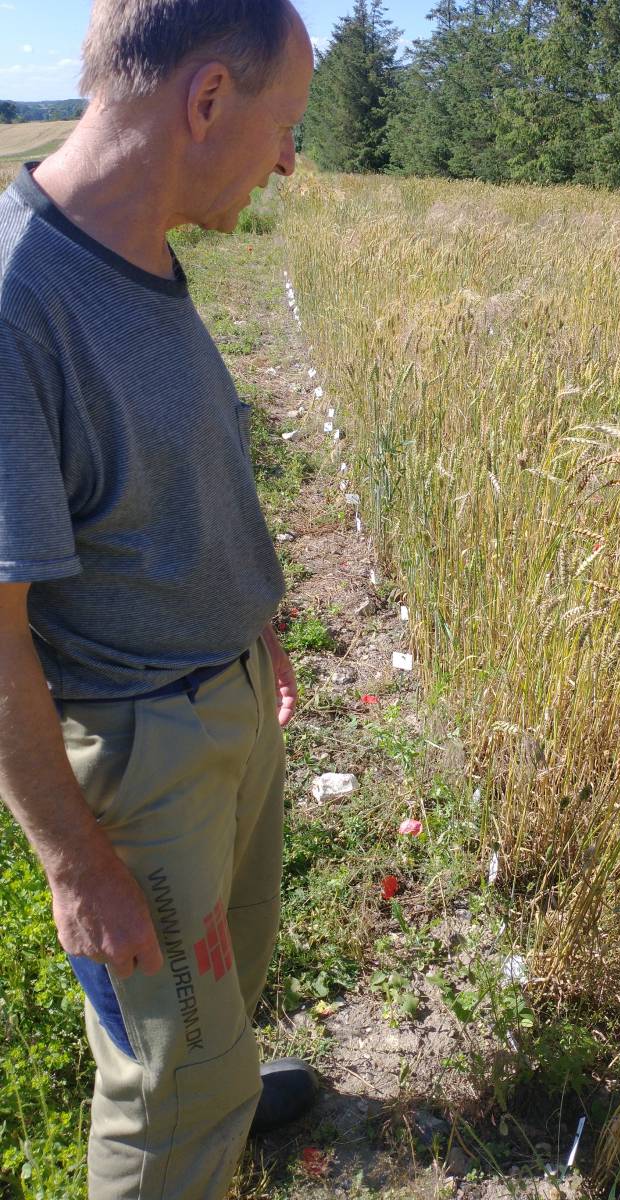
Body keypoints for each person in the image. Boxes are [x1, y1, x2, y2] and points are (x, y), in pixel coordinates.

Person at [0, 2, 317, 1195]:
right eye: (285, 125)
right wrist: (77, 866)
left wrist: (255, 619)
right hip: (145, 754)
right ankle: (197, 1107)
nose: (288, 161)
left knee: (231, 981)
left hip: (225, 701)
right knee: (164, 1080)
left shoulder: (140, 247)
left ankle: (219, 1087)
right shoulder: (19, 307)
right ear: (207, 100)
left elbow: (175, 470)